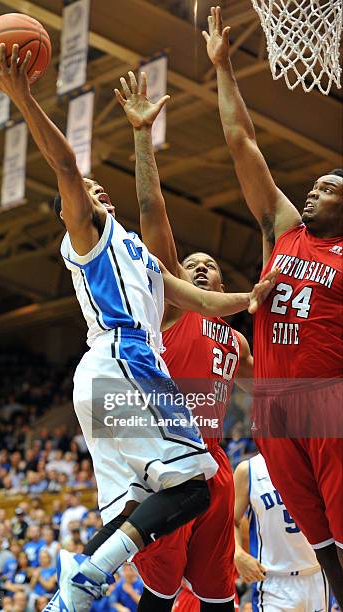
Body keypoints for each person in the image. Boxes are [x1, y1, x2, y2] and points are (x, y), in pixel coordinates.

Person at [0, 43, 276, 612]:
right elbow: (68, 167)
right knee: (194, 486)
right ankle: (87, 577)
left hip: (108, 381)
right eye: (86, 192)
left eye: (96, 189)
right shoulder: (87, 237)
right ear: (73, 212)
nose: (95, 189)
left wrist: (252, 295)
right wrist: (24, 96)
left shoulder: (140, 257)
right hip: (125, 361)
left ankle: (68, 593)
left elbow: (200, 295)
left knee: (137, 512)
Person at [204, 5, 343, 604]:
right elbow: (242, 142)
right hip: (273, 413)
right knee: (322, 545)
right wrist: (222, 69)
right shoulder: (282, 231)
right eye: (315, 185)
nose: (314, 190)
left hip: (326, 404)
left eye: (330, 188)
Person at [115, 70, 253, 611]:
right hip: (170, 455)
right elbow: (153, 214)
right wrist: (141, 138)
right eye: (187, 264)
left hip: (216, 461)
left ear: (219, 285)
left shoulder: (237, 341)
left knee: (217, 595)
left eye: (207, 265)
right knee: (160, 589)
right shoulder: (175, 307)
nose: (194, 267)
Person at [234, 453, 328, 610]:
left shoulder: (314, 461)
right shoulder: (248, 470)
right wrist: (237, 553)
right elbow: (231, 520)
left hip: (317, 576)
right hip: (273, 582)